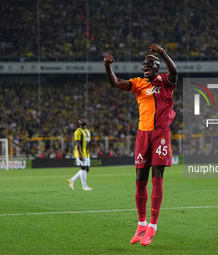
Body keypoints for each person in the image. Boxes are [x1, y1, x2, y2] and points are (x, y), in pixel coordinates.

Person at [103, 43, 177, 246]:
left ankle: (153, 225)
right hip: (143, 134)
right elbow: (116, 83)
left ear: (157, 68)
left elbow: (174, 71)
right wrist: (107, 67)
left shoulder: (165, 81)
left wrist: (161, 52)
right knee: (139, 179)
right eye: (144, 64)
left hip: (160, 134)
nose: (145, 66)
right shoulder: (138, 84)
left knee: (157, 177)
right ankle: (141, 223)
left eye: (149, 64)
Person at [67, 118, 93, 191]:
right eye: (81, 123)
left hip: (86, 152)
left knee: (86, 169)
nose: (83, 124)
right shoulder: (77, 131)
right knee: (83, 168)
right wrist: (80, 154)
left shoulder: (88, 131)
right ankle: (84, 186)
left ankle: (72, 180)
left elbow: (88, 142)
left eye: (84, 123)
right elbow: (77, 143)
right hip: (80, 152)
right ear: (79, 124)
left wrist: (93, 146)